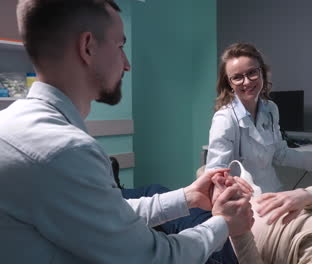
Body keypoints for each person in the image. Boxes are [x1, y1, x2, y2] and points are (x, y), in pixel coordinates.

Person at [0, 1, 254, 263]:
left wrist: (187, 197)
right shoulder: (63, 150)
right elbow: (154, 258)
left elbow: (108, 214)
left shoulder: (13, 124)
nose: (127, 64)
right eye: (120, 47)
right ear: (87, 46)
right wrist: (223, 225)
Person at [205, 42, 312, 193]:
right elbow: (216, 173)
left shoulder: (270, 109)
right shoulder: (225, 119)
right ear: (229, 83)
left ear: (262, 72)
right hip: (242, 201)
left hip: (272, 192)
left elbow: (280, 153)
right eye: (237, 77)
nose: (247, 82)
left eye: (252, 73)